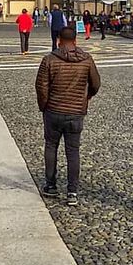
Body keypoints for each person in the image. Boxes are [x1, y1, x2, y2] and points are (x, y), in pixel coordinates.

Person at [35, 25, 100, 199]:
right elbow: (96, 84)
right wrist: (86, 97)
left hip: (53, 111)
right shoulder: (87, 60)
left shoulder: (49, 60)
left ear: (58, 41)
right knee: (73, 151)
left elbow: (41, 86)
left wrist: (44, 106)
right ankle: (72, 191)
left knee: (51, 146)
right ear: (75, 41)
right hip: (76, 112)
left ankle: (51, 185)